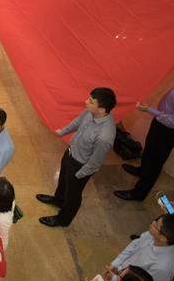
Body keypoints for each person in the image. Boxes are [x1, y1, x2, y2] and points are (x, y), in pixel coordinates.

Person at [36, 88, 118, 227]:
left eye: (91, 101)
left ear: (102, 110)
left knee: (73, 195)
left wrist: (80, 174)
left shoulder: (105, 135)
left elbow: (95, 162)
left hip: (80, 166)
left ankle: (63, 219)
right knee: (62, 181)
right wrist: (63, 132)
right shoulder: (90, 112)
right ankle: (58, 200)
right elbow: (77, 121)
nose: (86, 102)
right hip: (70, 153)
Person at [115, 77, 174, 201]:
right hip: (162, 122)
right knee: (149, 151)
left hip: (169, 130)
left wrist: (149, 110)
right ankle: (142, 171)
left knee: (155, 162)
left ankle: (139, 193)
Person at [103, 214, 174, 281]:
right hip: (122, 274)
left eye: (156, 225)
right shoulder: (152, 235)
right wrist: (116, 264)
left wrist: (115, 279)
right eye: (156, 221)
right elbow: (134, 245)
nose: (152, 223)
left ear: (163, 238)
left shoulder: (162, 268)